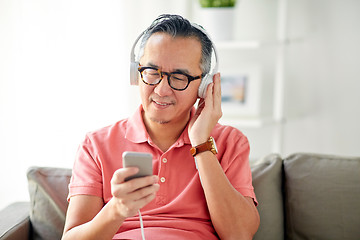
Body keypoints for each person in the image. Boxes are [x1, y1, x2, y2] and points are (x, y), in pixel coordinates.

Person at [62, 14, 259, 240]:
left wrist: (202, 145)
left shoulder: (230, 142)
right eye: (152, 72)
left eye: (179, 77)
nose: (162, 89)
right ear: (136, 74)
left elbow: (240, 235)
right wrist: (117, 209)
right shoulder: (95, 145)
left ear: (205, 86)